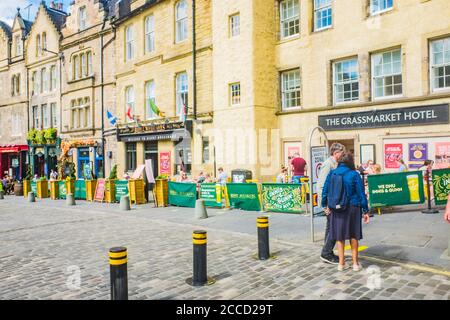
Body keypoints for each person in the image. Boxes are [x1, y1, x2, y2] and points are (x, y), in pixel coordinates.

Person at [321, 152, 370, 272]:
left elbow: (325, 190)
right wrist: (365, 210)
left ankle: (341, 264)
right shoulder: (354, 174)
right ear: (350, 162)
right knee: (353, 236)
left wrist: (324, 205)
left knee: (339, 236)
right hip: (353, 208)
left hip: (336, 209)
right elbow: (361, 193)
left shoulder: (332, 173)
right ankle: (355, 264)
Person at [317, 142, 346, 265]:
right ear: (336, 153)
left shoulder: (335, 164)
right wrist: (324, 205)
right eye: (342, 153)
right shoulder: (328, 164)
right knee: (334, 227)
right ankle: (326, 253)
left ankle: (327, 251)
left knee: (330, 227)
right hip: (330, 202)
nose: (343, 155)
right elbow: (322, 185)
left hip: (332, 201)